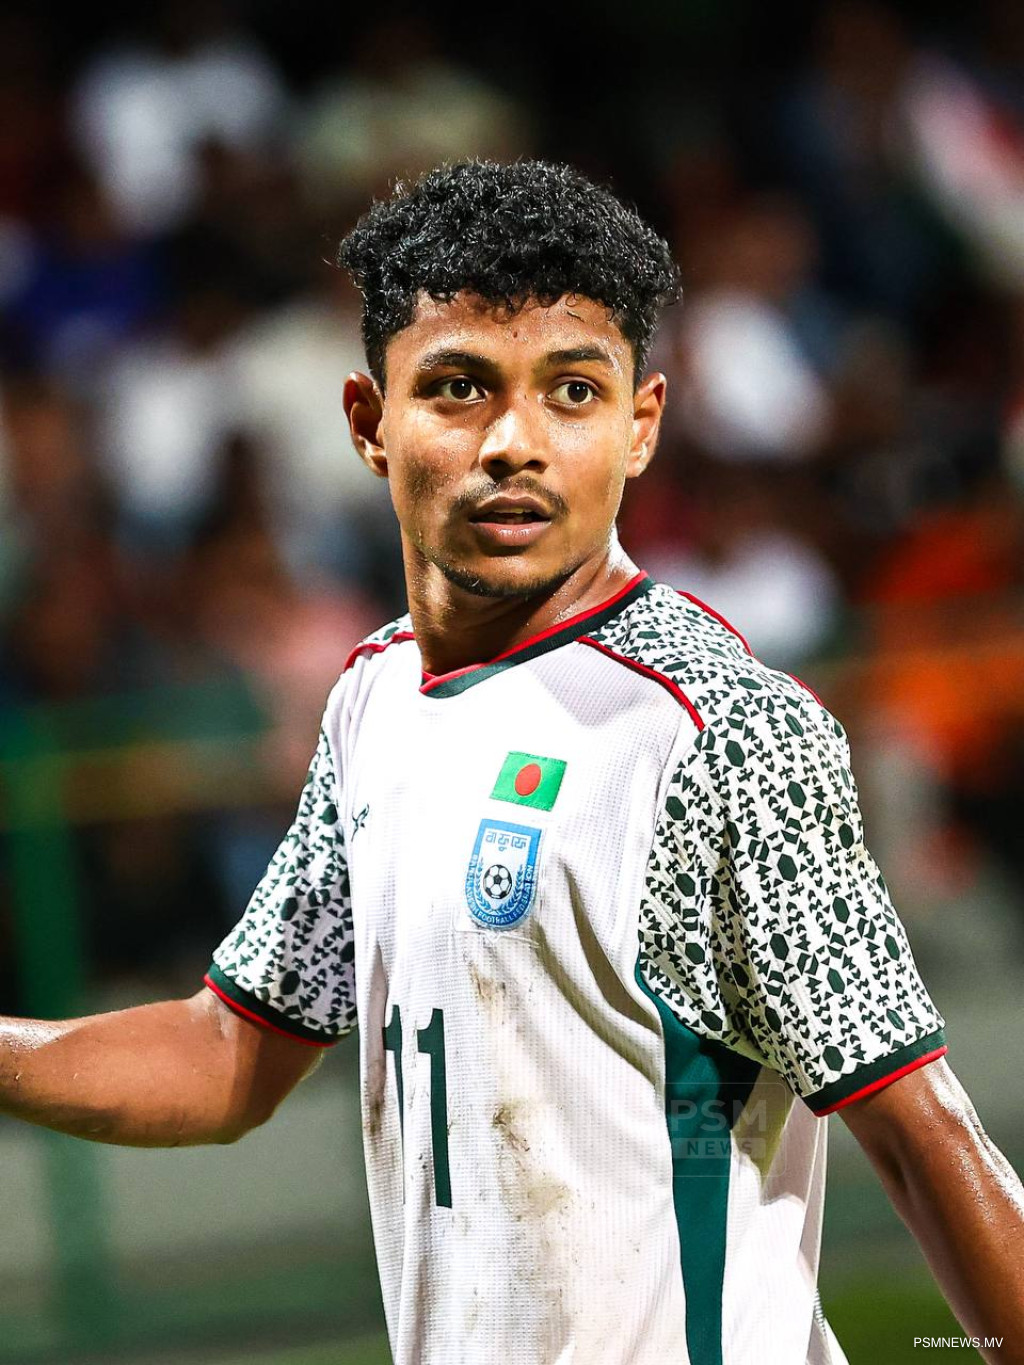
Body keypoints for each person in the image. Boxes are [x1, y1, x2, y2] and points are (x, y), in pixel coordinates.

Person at [1, 160, 1021, 1365]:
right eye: (457, 389)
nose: (514, 443)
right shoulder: (373, 698)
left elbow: (921, 1131)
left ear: (640, 425)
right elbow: (230, 1054)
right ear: (367, 423)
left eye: (572, 392)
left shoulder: (718, 731)